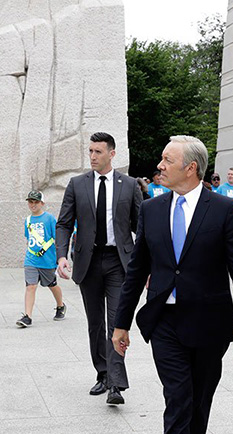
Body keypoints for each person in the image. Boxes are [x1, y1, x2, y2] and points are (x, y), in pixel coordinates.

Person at [112, 135, 233, 434]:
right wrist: (121, 323)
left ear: (189, 168)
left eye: (166, 159)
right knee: (177, 399)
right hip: (165, 322)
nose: (159, 165)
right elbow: (138, 269)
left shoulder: (224, 209)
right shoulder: (153, 209)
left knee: (199, 400)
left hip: (210, 323)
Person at [56, 132, 143, 405]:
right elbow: (64, 224)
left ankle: (116, 384)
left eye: (98, 152)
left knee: (117, 321)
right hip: (88, 263)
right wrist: (61, 256)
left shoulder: (129, 185)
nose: (92, 156)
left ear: (112, 154)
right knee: (95, 323)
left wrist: (147, 263)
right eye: (90, 151)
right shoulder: (77, 184)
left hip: (119, 262)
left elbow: (141, 227)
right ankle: (103, 373)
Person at [17, 190, 66, 328]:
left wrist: (59, 257)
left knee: (52, 284)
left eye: (36, 202)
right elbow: (29, 239)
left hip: (47, 260)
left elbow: (56, 238)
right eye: (30, 202)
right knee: (31, 286)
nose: (33, 204)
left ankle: (60, 305)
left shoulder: (49, 218)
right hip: (31, 259)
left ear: (42, 203)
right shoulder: (27, 220)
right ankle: (27, 316)